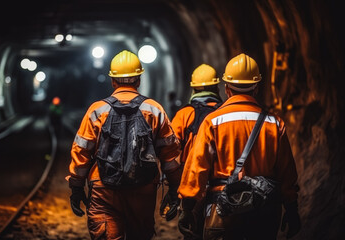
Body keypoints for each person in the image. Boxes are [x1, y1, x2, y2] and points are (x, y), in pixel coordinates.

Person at [177, 53, 301, 239]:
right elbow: (287, 173)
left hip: (223, 206)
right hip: (265, 208)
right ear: (256, 88)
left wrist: (187, 207)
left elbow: (197, 167)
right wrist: (291, 209)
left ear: (226, 88)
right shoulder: (274, 123)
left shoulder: (213, 121)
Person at [66, 50, 182, 240]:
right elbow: (170, 154)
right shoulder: (154, 109)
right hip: (143, 189)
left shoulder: (97, 110)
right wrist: (174, 188)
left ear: (113, 81)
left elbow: (82, 152)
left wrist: (77, 187)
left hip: (104, 189)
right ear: (139, 80)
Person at [161, 64, 222, 239]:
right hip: (222, 185)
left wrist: (171, 185)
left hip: (193, 187)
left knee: (193, 231)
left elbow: (169, 151)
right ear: (217, 88)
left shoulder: (184, 115)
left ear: (193, 88)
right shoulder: (225, 114)